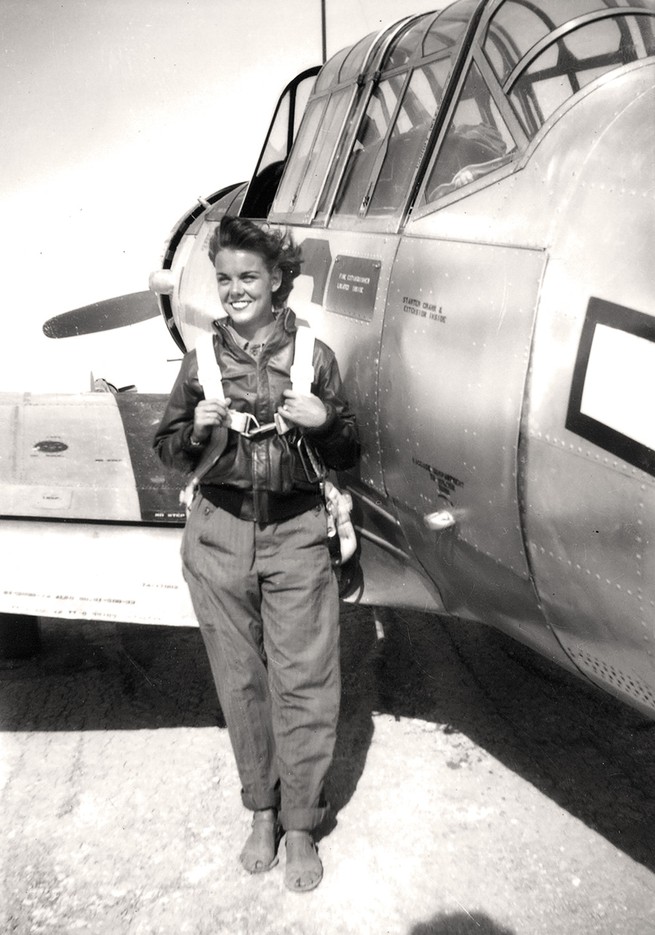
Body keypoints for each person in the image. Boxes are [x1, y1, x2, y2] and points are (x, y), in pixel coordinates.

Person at [153, 215, 359, 893]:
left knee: (304, 679)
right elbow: (167, 447)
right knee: (240, 680)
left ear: (277, 280)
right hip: (219, 530)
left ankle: (300, 822)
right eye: (224, 279)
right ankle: (262, 811)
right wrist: (194, 431)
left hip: (297, 532)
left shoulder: (314, 357)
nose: (235, 290)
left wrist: (325, 422)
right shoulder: (202, 361)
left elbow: (349, 447)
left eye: (248, 276)